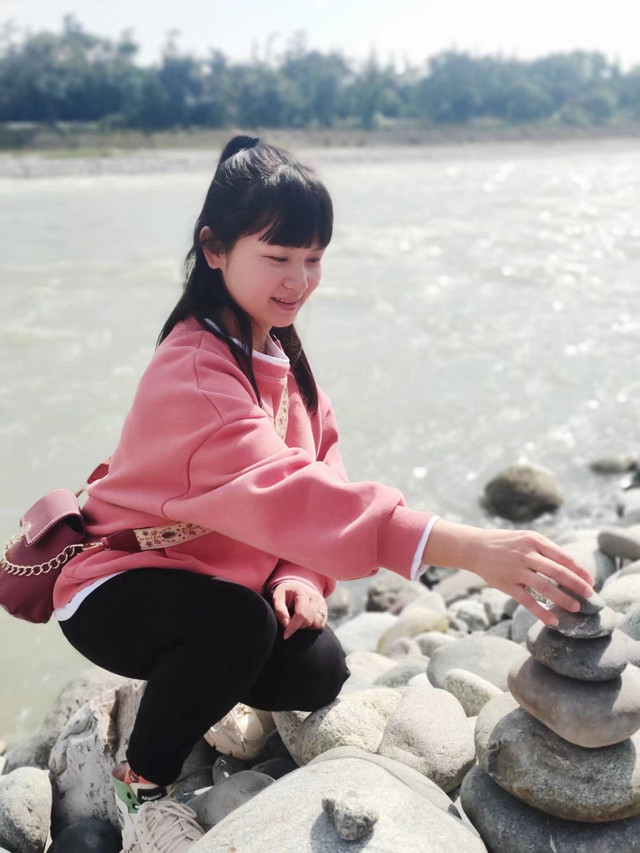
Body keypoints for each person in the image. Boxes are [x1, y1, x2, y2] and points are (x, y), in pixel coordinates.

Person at [54, 135, 594, 853]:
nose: (299, 280)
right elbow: (296, 497)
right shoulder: (194, 372)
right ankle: (141, 785)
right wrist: (466, 547)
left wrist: (298, 575)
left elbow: (320, 468)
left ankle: (184, 694)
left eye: (313, 258)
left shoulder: (275, 349)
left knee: (317, 670)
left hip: (214, 585)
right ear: (214, 250)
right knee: (237, 629)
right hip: (117, 584)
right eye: (278, 257)